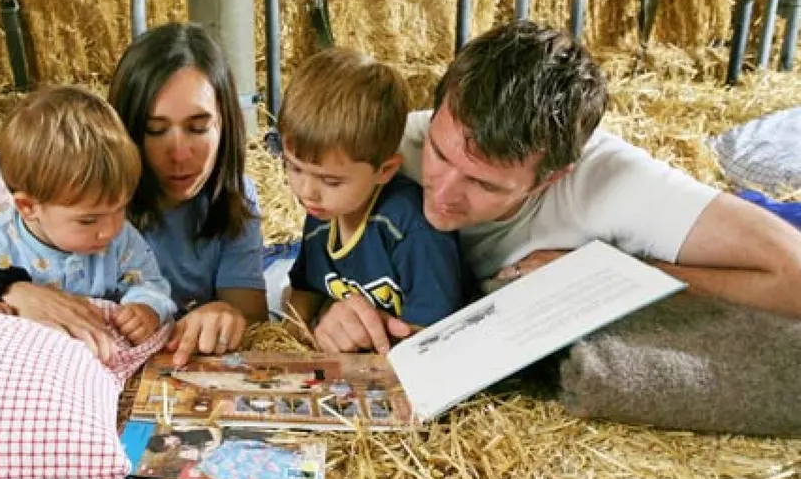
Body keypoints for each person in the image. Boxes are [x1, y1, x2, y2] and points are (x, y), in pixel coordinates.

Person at [314, 20, 801, 352]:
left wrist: (612, 275)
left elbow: (792, 274)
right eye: (440, 155)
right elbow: (307, 264)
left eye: (485, 184)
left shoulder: (612, 183)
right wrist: (326, 312)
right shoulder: (390, 147)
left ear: (553, 176)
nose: (441, 195)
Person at [0, 24, 267, 364]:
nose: (179, 153)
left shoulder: (233, 195)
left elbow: (252, 315)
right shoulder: (86, 195)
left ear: (225, 124)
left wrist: (224, 314)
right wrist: (11, 290)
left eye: (198, 127)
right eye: (155, 130)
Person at [0, 85, 176, 347]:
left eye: (120, 208)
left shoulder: (122, 240)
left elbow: (150, 282)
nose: (111, 230)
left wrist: (146, 308)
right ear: (28, 207)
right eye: (88, 220)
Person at [278, 47, 466, 340]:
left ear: (386, 170)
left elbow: (437, 332)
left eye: (331, 180)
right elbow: (304, 292)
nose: (306, 192)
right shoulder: (322, 215)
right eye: (295, 168)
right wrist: (293, 337)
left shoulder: (409, 227)